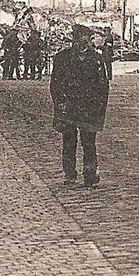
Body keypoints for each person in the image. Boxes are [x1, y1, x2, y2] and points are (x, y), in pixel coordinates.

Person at [50, 24, 110, 187]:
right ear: (74, 40)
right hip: (68, 107)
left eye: (87, 40)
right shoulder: (62, 58)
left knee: (89, 142)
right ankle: (70, 174)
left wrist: (99, 109)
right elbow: (55, 84)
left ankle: (90, 175)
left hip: (89, 108)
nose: (84, 44)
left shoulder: (97, 59)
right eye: (80, 40)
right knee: (69, 141)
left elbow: (103, 87)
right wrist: (59, 104)